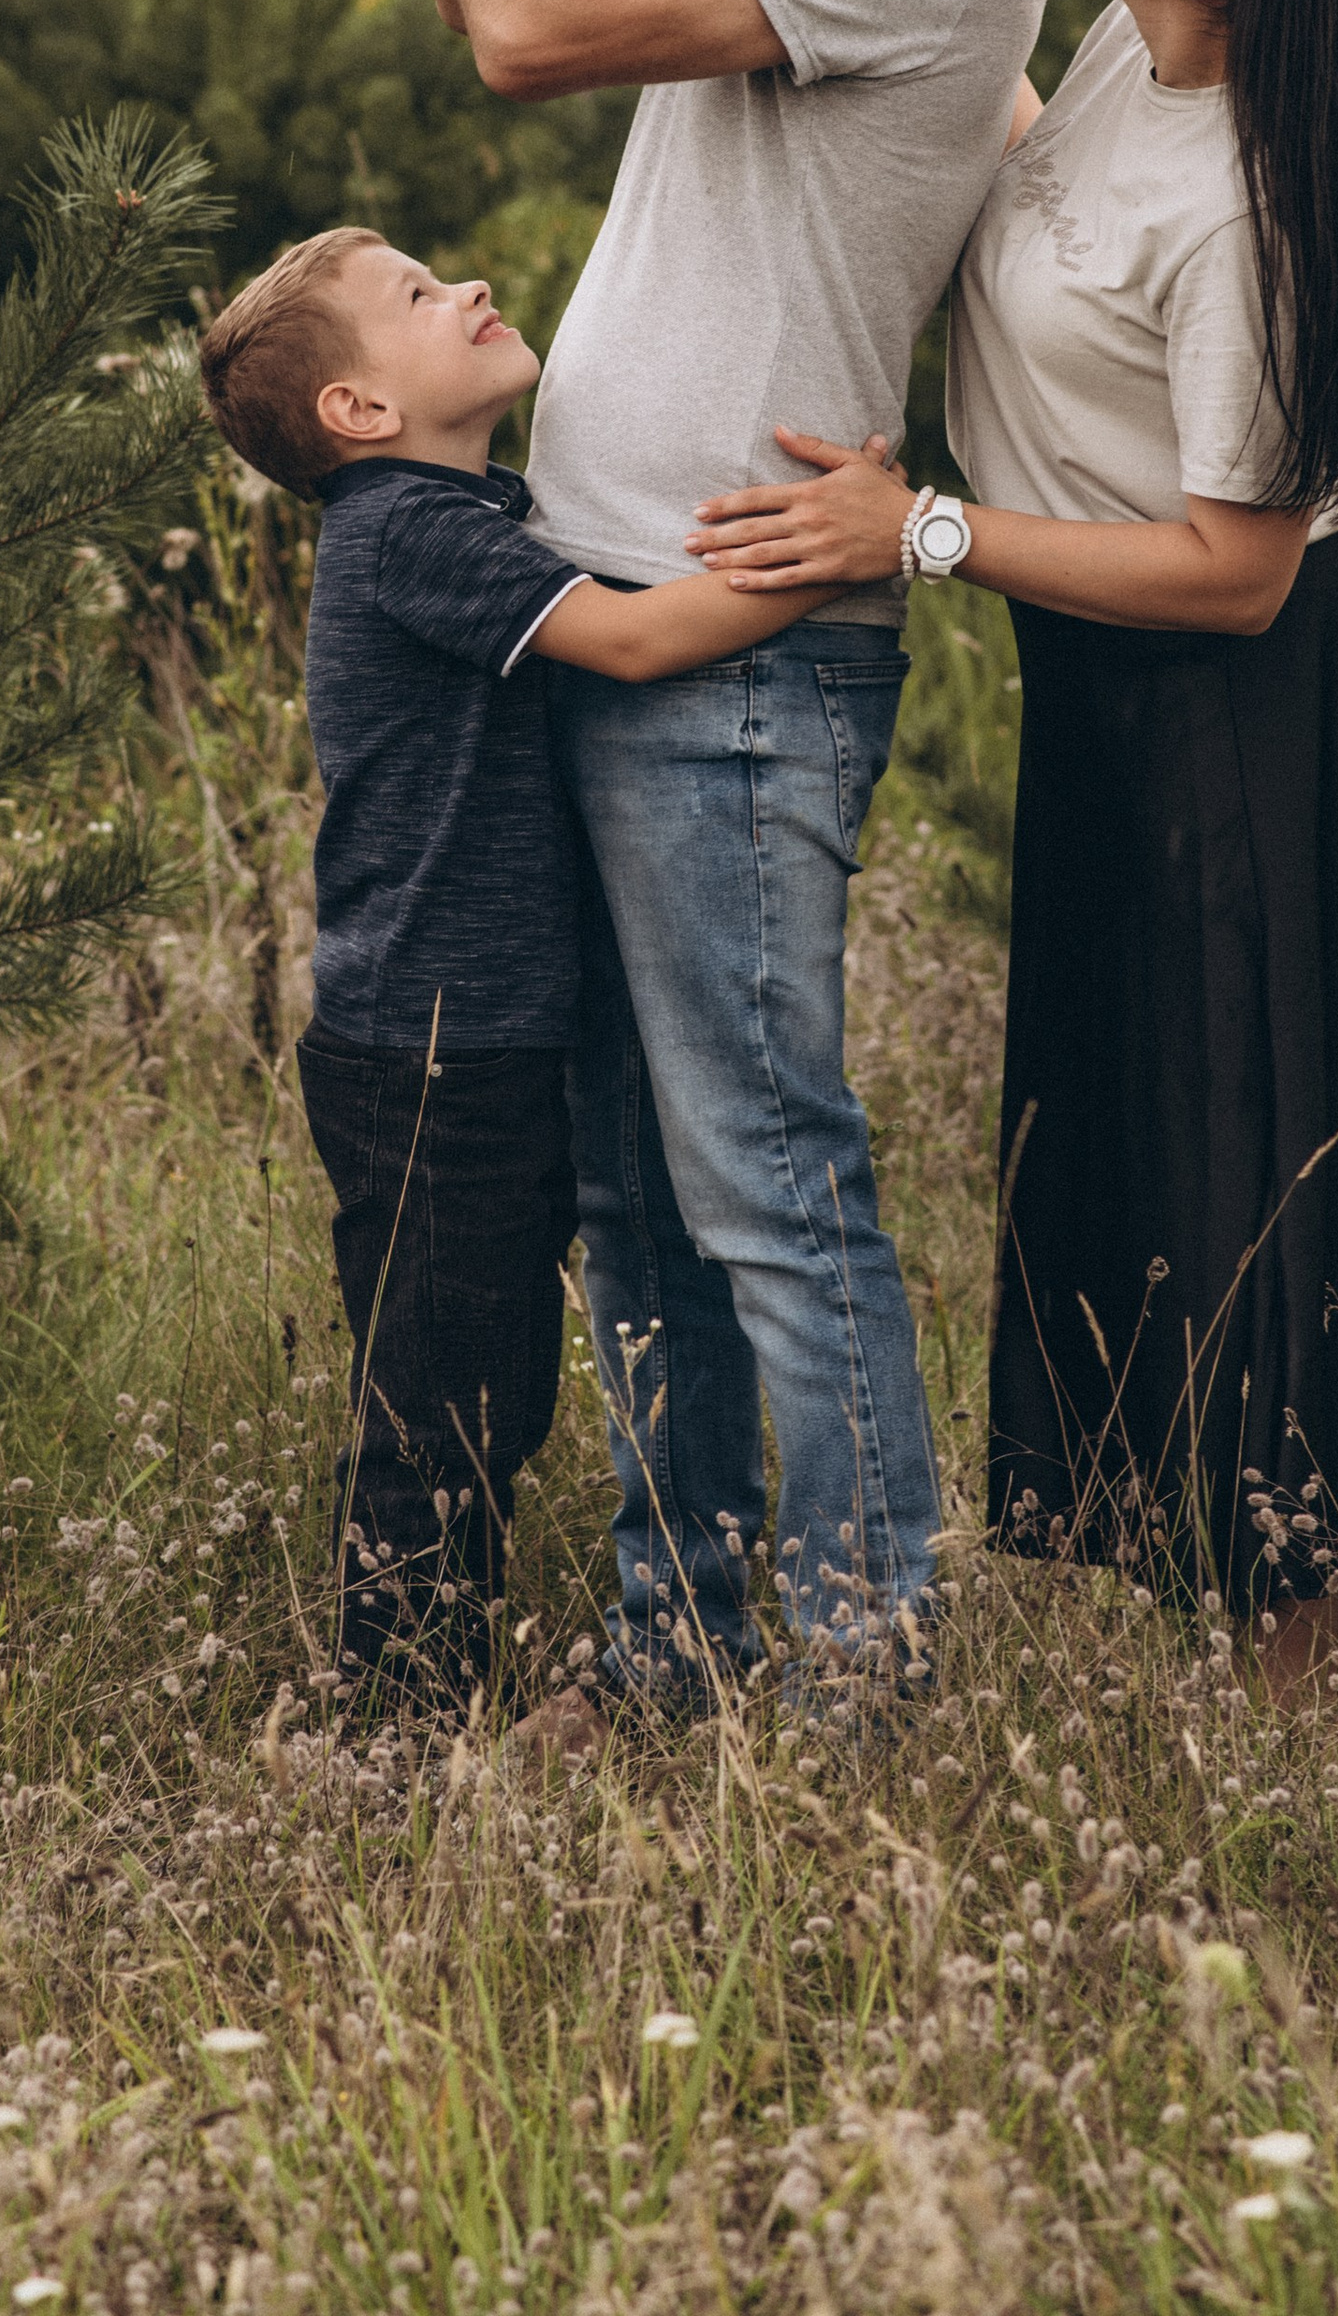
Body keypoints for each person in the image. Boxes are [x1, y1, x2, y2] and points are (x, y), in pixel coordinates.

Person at [389, 0, 1171, 1712]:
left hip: (730, 651)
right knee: (637, 1195)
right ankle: (681, 1651)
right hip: (614, 601)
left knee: (759, 1180)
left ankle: (859, 1669)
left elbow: (532, 30)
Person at [690, 0, 1338, 1679]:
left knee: (1252, 1150)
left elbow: (1239, 567)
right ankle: (1240, 1590)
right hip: (1112, 689)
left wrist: (921, 528)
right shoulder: (1145, 50)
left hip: (1240, 706)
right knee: (1131, 1122)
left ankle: (1312, 1654)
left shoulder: (1248, 216)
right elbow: (1034, 186)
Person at [196, 224, 845, 1711]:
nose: (471, 287)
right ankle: (397, 1721)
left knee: (486, 1384)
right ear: (358, 414)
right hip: (431, 1050)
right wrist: (836, 554)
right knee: (445, 1402)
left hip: (487, 1031)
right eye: (420, 299)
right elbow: (629, 645)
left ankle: (466, 1682)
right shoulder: (405, 531)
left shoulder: (462, 507)